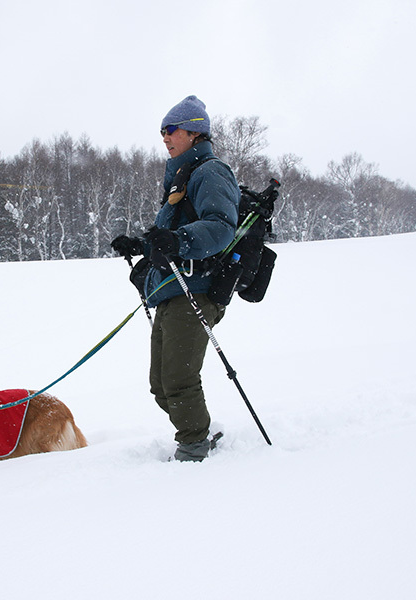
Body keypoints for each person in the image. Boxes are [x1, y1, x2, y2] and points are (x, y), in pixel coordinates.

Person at [111, 95, 240, 462]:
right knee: (161, 386)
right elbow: (168, 235)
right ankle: (200, 430)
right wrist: (141, 243)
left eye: (172, 130)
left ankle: (194, 448)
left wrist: (179, 240)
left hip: (195, 291)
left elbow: (219, 227)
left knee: (178, 382)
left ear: (195, 131)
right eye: (162, 132)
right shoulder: (180, 179)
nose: (165, 138)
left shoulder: (210, 172)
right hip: (170, 292)